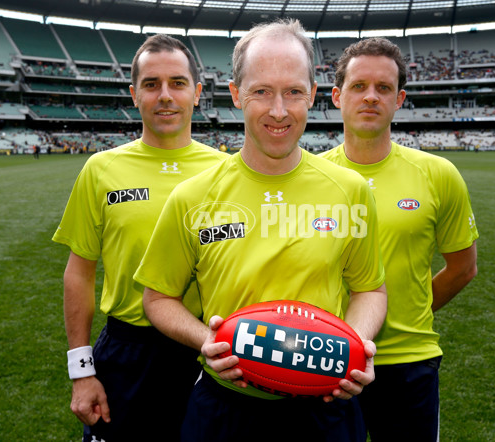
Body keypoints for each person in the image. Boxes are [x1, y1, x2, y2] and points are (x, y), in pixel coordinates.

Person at [133, 19, 388, 442]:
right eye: (261, 91)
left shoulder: (350, 191)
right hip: (223, 408)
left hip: (326, 408)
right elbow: (158, 298)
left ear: (313, 96)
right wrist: (205, 339)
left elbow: (370, 289)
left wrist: (355, 346)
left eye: (293, 92)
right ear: (235, 94)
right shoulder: (192, 196)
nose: (278, 111)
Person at [52, 34, 228, 441]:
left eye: (178, 83)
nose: (165, 95)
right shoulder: (101, 170)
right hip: (127, 352)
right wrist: (81, 373)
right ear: (134, 95)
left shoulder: (228, 172)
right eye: (151, 84)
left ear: (197, 93)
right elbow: (79, 274)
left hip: (208, 349)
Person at [320, 37, 479, 441]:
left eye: (383, 88)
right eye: (359, 86)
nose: (370, 97)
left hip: (411, 361)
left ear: (400, 99)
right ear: (337, 96)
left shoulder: (438, 173)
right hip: (328, 361)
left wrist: (411, 314)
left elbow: (463, 268)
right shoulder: (311, 177)